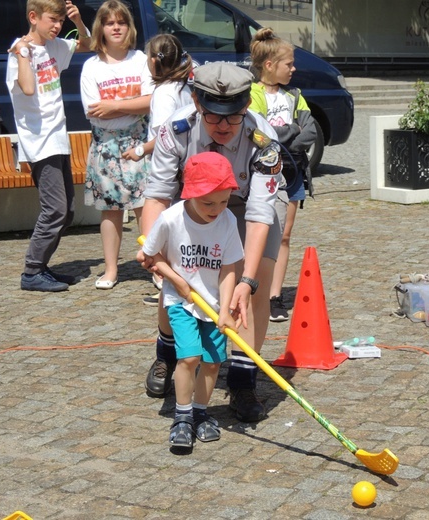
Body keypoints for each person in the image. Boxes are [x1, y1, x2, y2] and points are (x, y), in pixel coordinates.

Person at [138, 62, 282, 423]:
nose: (223, 127)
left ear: (246, 105)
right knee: (175, 283)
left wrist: (246, 281)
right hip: (190, 202)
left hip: (244, 204)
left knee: (256, 286)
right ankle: (166, 354)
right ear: (197, 103)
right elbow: (157, 195)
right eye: (214, 117)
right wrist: (156, 258)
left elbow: (260, 214)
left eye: (233, 118)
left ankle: (242, 378)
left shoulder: (263, 140)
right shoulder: (177, 129)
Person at [140, 152, 246, 448]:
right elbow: (150, 256)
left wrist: (225, 310)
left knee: (213, 363)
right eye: (208, 202)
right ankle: (182, 417)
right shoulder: (171, 219)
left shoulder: (227, 221)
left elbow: (228, 269)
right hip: (181, 301)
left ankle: (200, 413)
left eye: (223, 201)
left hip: (212, 304)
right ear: (191, 193)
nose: (216, 209)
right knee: (189, 357)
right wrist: (177, 281)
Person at [7, 0, 91, 292]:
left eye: (61, 21)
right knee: (54, 209)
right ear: (34, 17)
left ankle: (41, 267)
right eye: (52, 20)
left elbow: (88, 44)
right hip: (40, 143)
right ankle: (31, 271)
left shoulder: (54, 46)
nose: (58, 26)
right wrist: (22, 53)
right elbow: (28, 89)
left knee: (66, 210)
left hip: (58, 139)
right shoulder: (20, 52)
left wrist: (78, 21)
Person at [80, 0, 153, 290]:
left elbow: (150, 102)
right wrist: (128, 106)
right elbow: (93, 110)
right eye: (110, 23)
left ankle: (155, 268)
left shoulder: (141, 61)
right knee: (110, 211)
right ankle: (111, 270)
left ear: (129, 27)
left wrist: (113, 106)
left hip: (138, 143)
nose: (116, 28)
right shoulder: (91, 66)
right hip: (105, 146)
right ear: (102, 28)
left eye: (121, 22)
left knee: (145, 208)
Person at [249, 27, 317, 322]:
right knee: (263, 234)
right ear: (269, 65)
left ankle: (275, 296)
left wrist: (283, 136)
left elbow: (311, 130)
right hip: (267, 173)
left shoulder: (294, 95)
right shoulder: (254, 93)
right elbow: (259, 136)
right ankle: (256, 290)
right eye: (288, 64)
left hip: (293, 172)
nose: (294, 68)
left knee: (285, 236)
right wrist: (291, 131)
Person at [122, 33, 194, 305]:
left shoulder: (164, 93)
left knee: (164, 229)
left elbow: (165, 136)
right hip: (183, 169)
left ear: (154, 61)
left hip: (170, 172)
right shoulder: (182, 87)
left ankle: (169, 286)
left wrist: (139, 151)